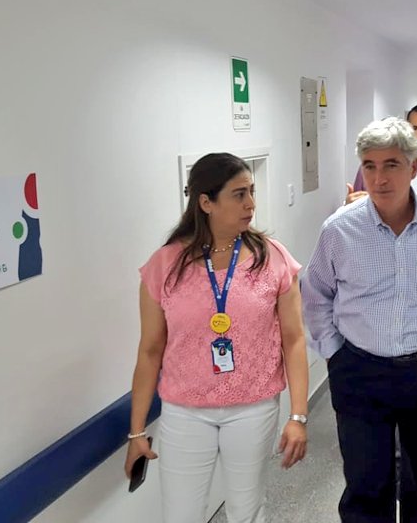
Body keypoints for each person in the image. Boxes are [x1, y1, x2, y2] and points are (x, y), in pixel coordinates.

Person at [302, 117, 417, 523]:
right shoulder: (339, 231)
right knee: (365, 486)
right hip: (361, 371)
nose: (379, 177)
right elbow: (315, 296)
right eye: (370, 165)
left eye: (391, 164)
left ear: (414, 167)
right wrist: (334, 353)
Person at [127, 153, 310, 523]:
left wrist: (298, 416)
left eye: (252, 192)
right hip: (185, 411)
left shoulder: (271, 258)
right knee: (181, 515)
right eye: (239, 194)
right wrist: (136, 433)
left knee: (246, 511)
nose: (251, 204)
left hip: (253, 407)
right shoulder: (164, 265)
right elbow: (149, 352)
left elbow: (293, 339)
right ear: (206, 202)